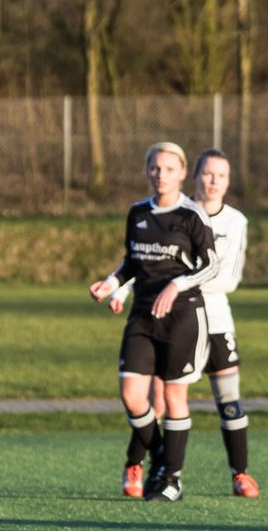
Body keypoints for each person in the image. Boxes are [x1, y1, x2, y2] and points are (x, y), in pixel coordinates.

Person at [112, 148, 258, 498]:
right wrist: (123, 286)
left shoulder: (235, 222)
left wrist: (178, 284)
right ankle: (140, 465)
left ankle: (240, 474)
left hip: (213, 320)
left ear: (228, 182)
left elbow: (228, 279)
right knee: (155, 401)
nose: (212, 181)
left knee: (228, 399)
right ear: (193, 177)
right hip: (170, 319)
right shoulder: (175, 213)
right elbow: (148, 262)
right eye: (207, 174)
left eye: (220, 176)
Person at [89, 141, 219, 502]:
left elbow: (211, 264)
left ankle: (171, 480)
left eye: (168, 169)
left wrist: (175, 286)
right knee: (132, 397)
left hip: (181, 316)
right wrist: (111, 283)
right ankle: (163, 458)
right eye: (154, 168)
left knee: (174, 395)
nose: (161, 175)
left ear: (181, 174)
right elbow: (132, 261)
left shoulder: (192, 216)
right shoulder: (137, 213)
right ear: (148, 171)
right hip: (142, 315)